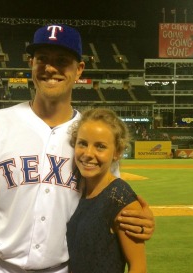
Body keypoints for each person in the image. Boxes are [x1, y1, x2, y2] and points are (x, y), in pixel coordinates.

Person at [0, 24, 155, 273]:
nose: (50, 68)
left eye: (62, 60)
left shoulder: (92, 137)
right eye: (42, 59)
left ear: (79, 70)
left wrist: (136, 221)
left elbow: (107, 206)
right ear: (31, 64)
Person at [67, 108, 146, 273]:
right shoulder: (80, 191)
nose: (88, 154)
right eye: (82, 143)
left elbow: (138, 267)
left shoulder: (119, 196)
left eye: (100, 146)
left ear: (116, 152)